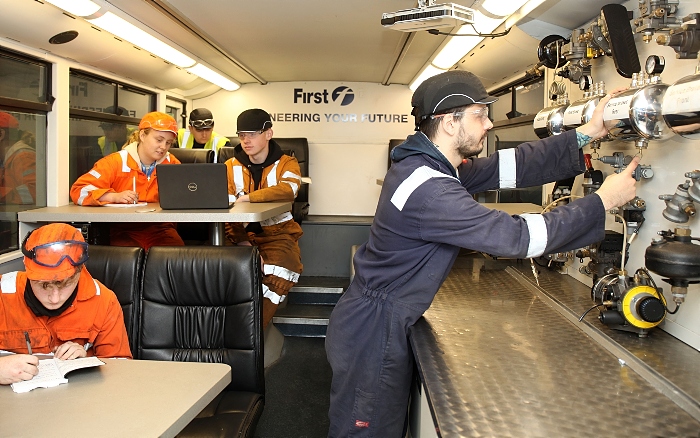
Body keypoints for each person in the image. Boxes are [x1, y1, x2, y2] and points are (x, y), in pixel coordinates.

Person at [325, 70, 640, 437]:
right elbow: (516, 237)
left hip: (372, 319)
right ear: (448, 121)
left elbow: (504, 167)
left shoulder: (426, 165)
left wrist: (589, 131)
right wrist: (603, 202)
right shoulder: (431, 190)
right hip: (374, 332)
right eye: (479, 114)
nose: (489, 123)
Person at [0, 223, 132, 385]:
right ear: (26, 267)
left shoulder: (104, 301)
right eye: (43, 285)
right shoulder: (2, 292)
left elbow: (122, 371)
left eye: (66, 285)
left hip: (79, 405)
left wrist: (87, 362)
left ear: (80, 269)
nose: (55, 299)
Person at [223, 108, 303, 328]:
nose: (246, 140)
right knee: (222, 273)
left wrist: (248, 198)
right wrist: (245, 245)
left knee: (282, 268)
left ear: (268, 133)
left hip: (278, 234)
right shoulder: (229, 167)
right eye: (242, 135)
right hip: (238, 235)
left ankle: (250, 333)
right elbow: (225, 211)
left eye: (253, 134)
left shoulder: (288, 163)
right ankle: (223, 329)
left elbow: (288, 190)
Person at [70, 111, 184, 250]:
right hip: (122, 229)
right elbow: (79, 191)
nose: (163, 147)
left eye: (168, 143)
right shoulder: (114, 162)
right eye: (159, 140)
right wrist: (113, 196)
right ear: (142, 135)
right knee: (126, 261)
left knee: (176, 259)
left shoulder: (172, 164)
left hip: (161, 229)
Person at [0, 111, 36, 205]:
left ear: (1, 134)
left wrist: (4, 195)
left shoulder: (24, 157)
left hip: (23, 217)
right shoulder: (7, 158)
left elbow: (34, 193)